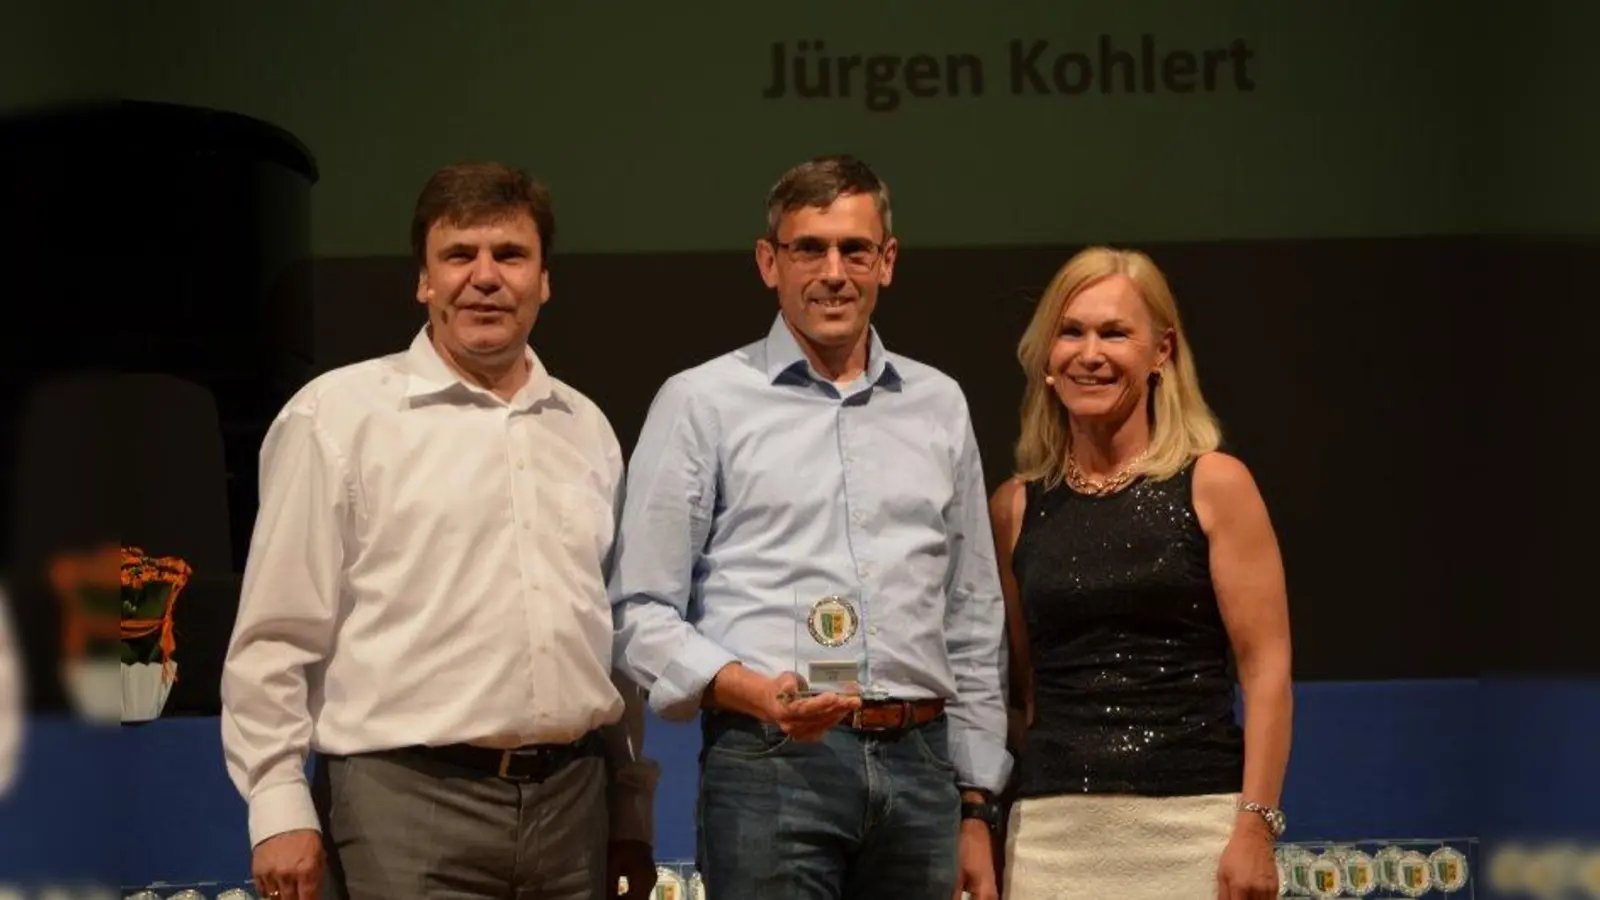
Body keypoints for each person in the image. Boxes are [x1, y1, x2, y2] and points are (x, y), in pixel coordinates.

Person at [220, 162, 658, 900]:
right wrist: (276, 802)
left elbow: (608, 639)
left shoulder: (585, 427)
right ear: (424, 281)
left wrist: (629, 807)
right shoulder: (337, 418)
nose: (484, 277)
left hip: (574, 809)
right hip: (404, 805)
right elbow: (276, 632)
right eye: (459, 255)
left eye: (510, 255)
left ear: (544, 281)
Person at [609, 154, 1009, 900]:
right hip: (770, 764)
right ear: (770, 262)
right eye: (809, 249)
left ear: (887, 261)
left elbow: (972, 613)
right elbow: (639, 610)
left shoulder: (938, 403)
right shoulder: (702, 402)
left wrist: (976, 799)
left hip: (923, 771)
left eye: (855, 250)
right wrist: (749, 690)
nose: (833, 273)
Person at [990, 246, 1292, 899]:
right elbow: (1024, 686)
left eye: (1114, 333)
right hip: (1049, 836)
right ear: (1047, 358)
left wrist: (1254, 827)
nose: (1089, 354)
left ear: (1162, 352)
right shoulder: (1014, 507)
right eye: (1071, 332)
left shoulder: (1216, 485)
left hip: (1195, 827)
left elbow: (1266, 671)